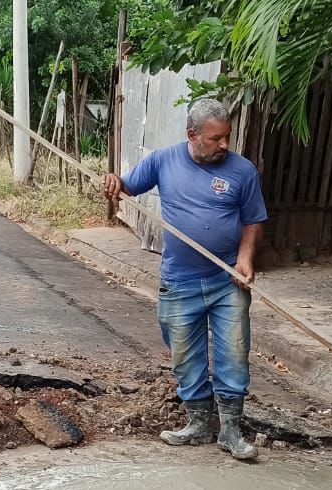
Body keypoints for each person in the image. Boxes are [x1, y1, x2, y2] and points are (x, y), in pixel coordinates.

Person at [102, 98, 267, 461]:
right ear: (192, 135)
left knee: (234, 351)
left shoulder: (243, 172)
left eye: (226, 137)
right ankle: (198, 424)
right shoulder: (164, 161)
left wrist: (244, 257)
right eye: (215, 139)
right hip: (179, 281)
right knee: (185, 354)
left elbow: (253, 220)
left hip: (227, 279)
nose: (224, 145)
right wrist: (114, 183)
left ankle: (231, 430)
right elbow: (128, 187)